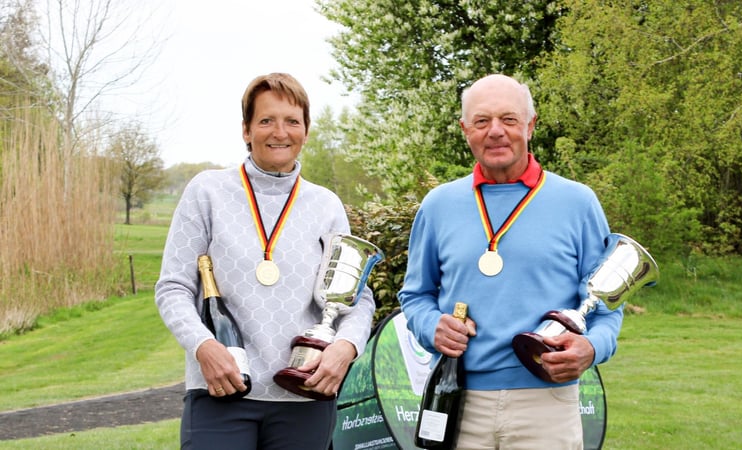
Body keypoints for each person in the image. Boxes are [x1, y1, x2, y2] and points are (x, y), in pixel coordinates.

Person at [398, 74, 623, 449]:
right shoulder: (438, 205)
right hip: (457, 399)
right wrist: (430, 326)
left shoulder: (578, 203)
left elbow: (607, 305)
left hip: (547, 405)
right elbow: (415, 296)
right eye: (482, 121)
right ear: (465, 129)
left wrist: (593, 348)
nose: (496, 131)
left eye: (509, 119)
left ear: (531, 126)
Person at [155, 72, 375, 449]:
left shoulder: (326, 205)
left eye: (292, 121)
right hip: (221, 390)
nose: (280, 132)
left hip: (303, 395)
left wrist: (345, 348)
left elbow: (357, 298)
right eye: (266, 120)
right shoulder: (207, 191)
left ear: (306, 131)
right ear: (246, 129)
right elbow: (173, 287)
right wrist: (204, 347)